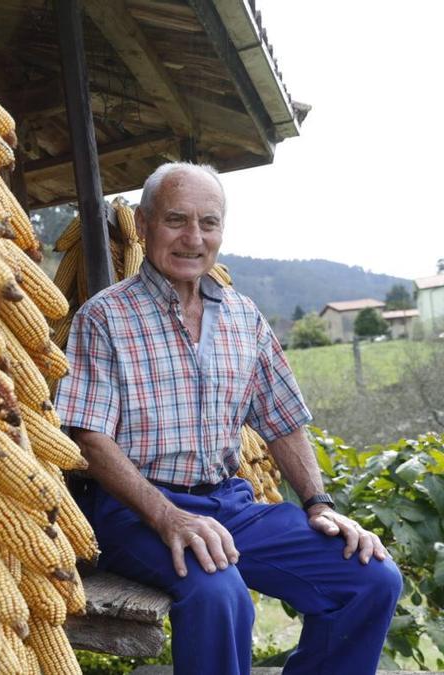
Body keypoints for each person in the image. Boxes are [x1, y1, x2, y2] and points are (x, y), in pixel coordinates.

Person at [55, 162, 402, 674]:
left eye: (208, 223)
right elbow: (89, 438)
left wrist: (319, 503)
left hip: (228, 503)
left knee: (371, 577)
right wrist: (167, 515)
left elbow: (283, 421)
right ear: (145, 225)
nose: (193, 238)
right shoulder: (104, 317)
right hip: (132, 509)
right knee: (220, 594)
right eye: (176, 220)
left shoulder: (243, 316)